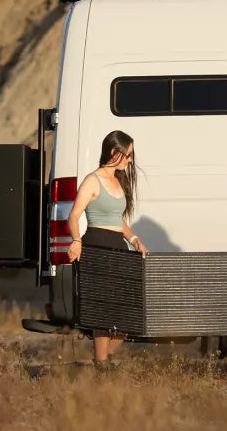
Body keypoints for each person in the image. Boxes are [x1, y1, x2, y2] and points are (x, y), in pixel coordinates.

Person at [66, 130, 149, 365]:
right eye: (128, 155)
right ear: (114, 152)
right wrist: (76, 241)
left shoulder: (118, 180)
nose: (130, 160)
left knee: (130, 310)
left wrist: (135, 239)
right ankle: (102, 366)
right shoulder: (92, 180)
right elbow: (74, 216)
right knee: (102, 311)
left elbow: (117, 220)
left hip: (118, 247)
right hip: (97, 246)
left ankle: (105, 361)